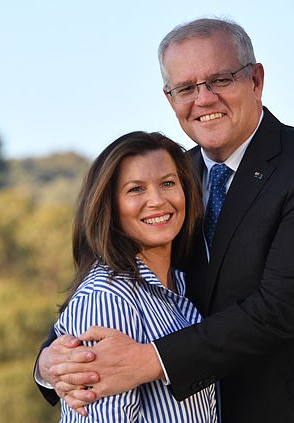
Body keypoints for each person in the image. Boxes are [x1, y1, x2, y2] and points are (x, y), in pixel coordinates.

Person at [35, 18, 294, 422]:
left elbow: (279, 308)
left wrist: (150, 361)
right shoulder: (175, 181)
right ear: (169, 98)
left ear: (256, 80)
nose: (203, 99)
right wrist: (53, 363)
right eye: (186, 88)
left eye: (220, 80)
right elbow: (111, 280)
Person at [48, 130, 217, 422]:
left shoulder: (184, 286)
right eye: (135, 189)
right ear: (109, 206)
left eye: (167, 183)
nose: (157, 201)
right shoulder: (107, 300)